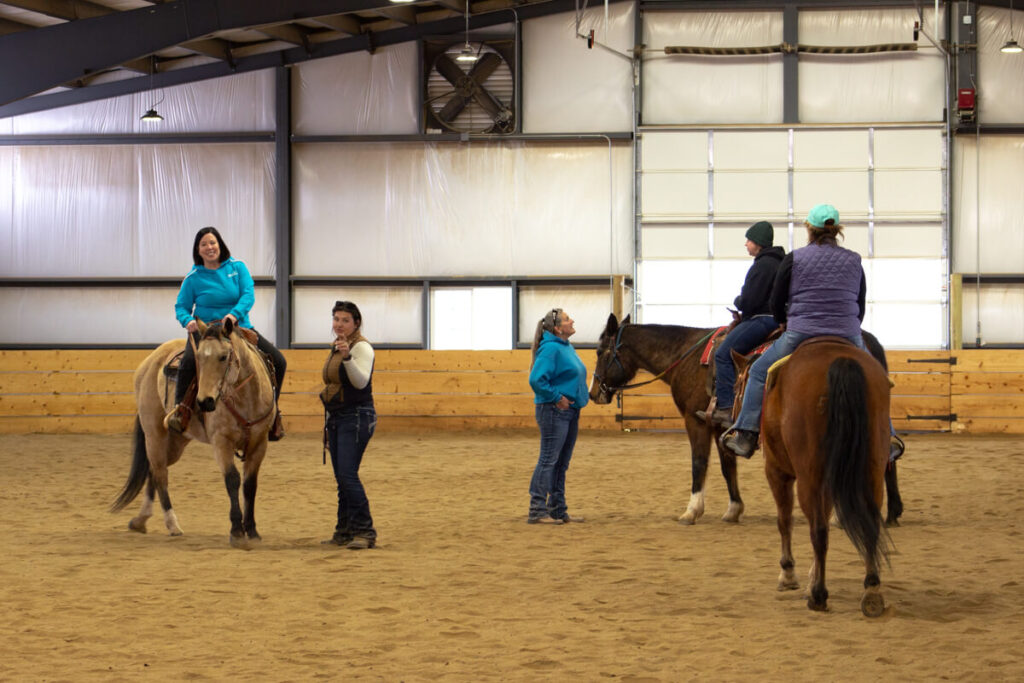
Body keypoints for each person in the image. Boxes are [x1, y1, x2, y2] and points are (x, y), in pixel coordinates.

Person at [723, 204, 867, 459]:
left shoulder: (796, 258)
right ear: (836, 231)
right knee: (875, 374)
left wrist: (781, 321)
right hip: (847, 333)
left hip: (802, 332)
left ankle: (746, 434)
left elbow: (777, 299)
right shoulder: (854, 259)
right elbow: (860, 302)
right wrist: (850, 327)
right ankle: (887, 436)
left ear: (809, 229)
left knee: (757, 372)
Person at [165, 226, 286, 440]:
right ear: (198, 250)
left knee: (278, 361)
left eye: (213, 242)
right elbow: (181, 307)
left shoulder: (238, 268)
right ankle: (181, 411)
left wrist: (234, 315)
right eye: (204, 244)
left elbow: (248, 295)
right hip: (205, 332)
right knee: (188, 363)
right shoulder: (193, 278)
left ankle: (273, 413)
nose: (209, 247)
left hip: (237, 328)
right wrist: (188, 321)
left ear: (220, 244)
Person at [697, 220, 785, 427]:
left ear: (759, 243)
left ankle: (726, 408)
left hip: (762, 319)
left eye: (749, 240)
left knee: (723, 353)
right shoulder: (779, 262)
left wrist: (738, 301)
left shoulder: (763, 265)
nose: (746, 244)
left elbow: (750, 301)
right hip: (777, 318)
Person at [320, 301, 378, 550]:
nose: (339, 324)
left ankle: (365, 531)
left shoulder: (362, 347)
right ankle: (344, 530)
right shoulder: (337, 346)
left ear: (356, 323)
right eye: (336, 319)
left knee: (347, 475)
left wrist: (347, 357)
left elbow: (360, 381)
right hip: (339, 417)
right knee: (342, 477)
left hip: (356, 416)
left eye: (345, 320)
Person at [527, 308, 589, 525]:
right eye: (566, 319)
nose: (572, 320)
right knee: (549, 459)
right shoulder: (551, 349)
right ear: (557, 328)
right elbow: (536, 379)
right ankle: (537, 509)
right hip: (555, 410)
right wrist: (556, 397)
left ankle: (557, 509)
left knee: (561, 462)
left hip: (569, 410)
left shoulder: (565, 347)